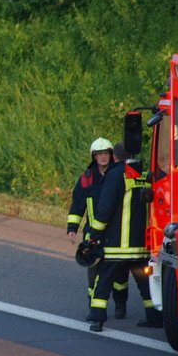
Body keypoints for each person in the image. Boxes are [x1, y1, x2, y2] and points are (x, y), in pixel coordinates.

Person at [87, 143, 162, 332]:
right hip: (140, 246)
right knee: (146, 283)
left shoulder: (115, 175)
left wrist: (94, 235)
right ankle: (154, 317)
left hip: (116, 246)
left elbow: (104, 209)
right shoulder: (144, 175)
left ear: (114, 157)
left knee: (103, 281)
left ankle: (97, 320)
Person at [67, 137, 127, 319]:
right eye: (99, 154)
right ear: (93, 157)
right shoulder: (86, 179)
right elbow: (78, 203)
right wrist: (72, 226)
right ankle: (94, 307)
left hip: (115, 234)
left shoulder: (118, 175)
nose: (103, 157)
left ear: (111, 155)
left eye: (106, 153)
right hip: (92, 234)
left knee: (120, 275)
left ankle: (120, 303)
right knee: (93, 274)